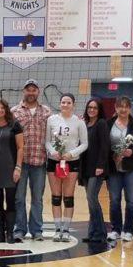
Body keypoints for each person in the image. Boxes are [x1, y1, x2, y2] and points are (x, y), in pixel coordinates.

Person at [12, 79, 51, 242]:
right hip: (21, 162)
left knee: (37, 198)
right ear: (24, 91)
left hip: (39, 162)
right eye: (28, 90)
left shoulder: (46, 112)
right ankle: (19, 229)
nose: (31, 92)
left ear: (38, 92)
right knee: (19, 197)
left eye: (34, 90)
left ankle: (36, 230)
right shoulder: (14, 111)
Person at [45, 93, 87, 242]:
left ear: (73, 105)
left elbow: (84, 144)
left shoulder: (79, 122)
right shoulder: (52, 120)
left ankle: (66, 229)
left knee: (68, 197)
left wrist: (71, 153)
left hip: (71, 162)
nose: (65, 105)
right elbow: (47, 141)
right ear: (60, 104)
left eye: (68, 102)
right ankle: (57, 230)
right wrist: (53, 152)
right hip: (54, 161)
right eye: (63, 102)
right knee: (56, 197)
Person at [106, 96, 133, 242]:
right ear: (115, 108)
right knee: (115, 200)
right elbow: (104, 144)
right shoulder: (108, 123)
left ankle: (129, 230)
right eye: (120, 106)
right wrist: (112, 155)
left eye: (126, 106)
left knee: (130, 200)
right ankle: (116, 229)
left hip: (132, 168)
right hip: (114, 169)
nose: (123, 109)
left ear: (130, 108)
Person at [0, 98, 24, 243]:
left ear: (6, 109)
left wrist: (18, 167)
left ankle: (10, 233)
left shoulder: (14, 125)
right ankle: (0, 233)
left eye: (2, 108)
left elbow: (20, 147)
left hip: (10, 168)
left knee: (10, 201)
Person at [80, 99, 109, 244]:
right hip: (85, 167)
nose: (91, 110)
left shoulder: (101, 124)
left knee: (92, 198)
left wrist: (101, 165)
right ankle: (92, 233)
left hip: (96, 168)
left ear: (99, 110)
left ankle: (101, 233)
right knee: (90, 200)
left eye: (95, 108)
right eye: (89, 107)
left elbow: (105, 145)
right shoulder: (85, 124)